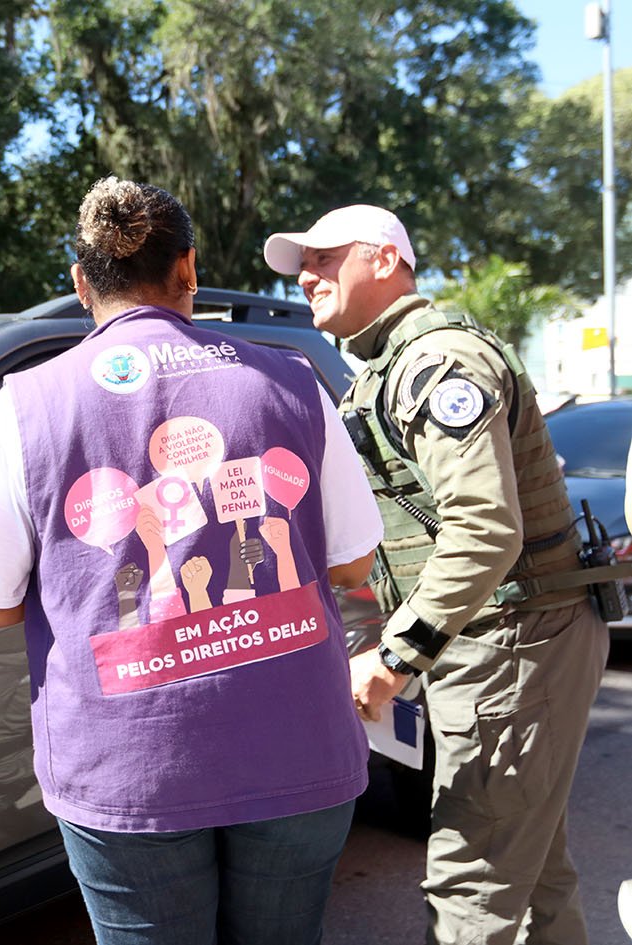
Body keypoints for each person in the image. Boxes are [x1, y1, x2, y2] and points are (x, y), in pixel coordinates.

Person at [0, 177, 383, 945]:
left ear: (81, 283)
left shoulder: (20, 409)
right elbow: (352, 563)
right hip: (295, 745)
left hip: (128, 762)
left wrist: (74, 587)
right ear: (188, 269)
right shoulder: (292, 383)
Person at [264, 204, 610, 945]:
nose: (307, 277)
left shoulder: (436, 362)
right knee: (534, 877)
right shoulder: (385, 369)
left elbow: (485, 528)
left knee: (470, 887)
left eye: (324, 258)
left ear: (384, 258)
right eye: (303, 266)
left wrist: (395, 658)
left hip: (510, 643)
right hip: (499, 641)